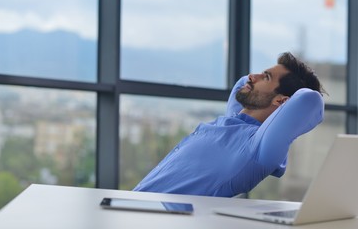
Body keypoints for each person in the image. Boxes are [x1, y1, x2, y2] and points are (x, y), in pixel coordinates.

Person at [133, 52, 325, 197]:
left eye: (265, 77)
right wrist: (257, 84)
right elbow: (242, 83)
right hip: (131, 204)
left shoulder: (259, 149)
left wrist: (286, 102)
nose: (251, 76)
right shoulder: (229, 123)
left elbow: (309, 100)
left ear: (282, 102)